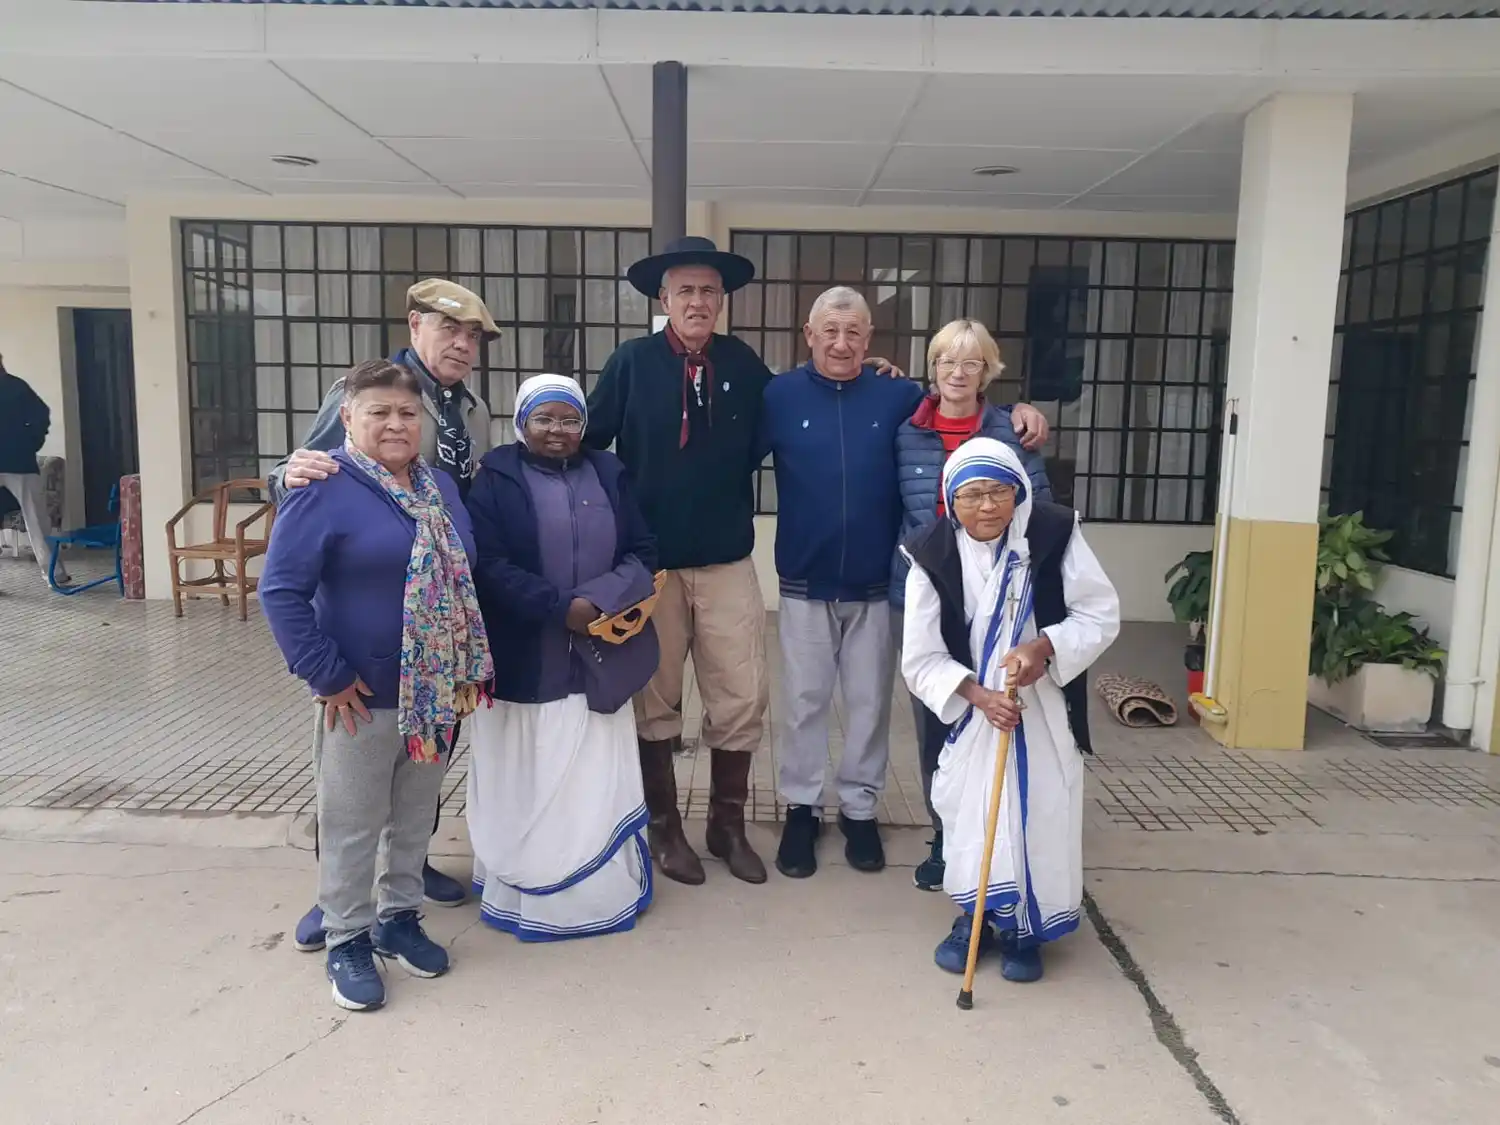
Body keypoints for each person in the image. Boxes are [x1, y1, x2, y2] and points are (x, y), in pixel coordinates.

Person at [587, 237, 1049, 887]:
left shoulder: (855, 391)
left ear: (869, 338)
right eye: (829, 330)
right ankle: (716, 821)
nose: (840, 342)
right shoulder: (707, 378)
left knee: (791, 701)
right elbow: (588, 444)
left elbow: (957, 412)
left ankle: (800, 816)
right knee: (738, 701)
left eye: (853, 332)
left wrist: (1016, 415)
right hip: (706, 570)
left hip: (820, 573)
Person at [260, 359, 493, 1011]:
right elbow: (280, 592)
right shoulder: (322, 486)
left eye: (407, 413)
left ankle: (397, 917)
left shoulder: (441, 487)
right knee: (353, 822)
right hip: (359, 694)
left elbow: (466, 571)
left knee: (415, 816)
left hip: (436, 691)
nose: (396, 423)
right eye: (379, 412)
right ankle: (348, 936)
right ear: (349, 418)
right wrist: (326, 673)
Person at [901, 437, 1118, 984]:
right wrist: (978, 695)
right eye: (972, 495)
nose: (988, 506)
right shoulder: (931, 554)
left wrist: (1042, 649)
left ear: (1018, 491)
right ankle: (975, 916)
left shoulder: (1053, 533)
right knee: (971, 812)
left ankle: (1026, 929)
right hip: (974, 709)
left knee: (1042, 810)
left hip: (1041, 704)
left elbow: (1099, 613)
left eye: (999, 491)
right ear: (952, 501)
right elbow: (921, 656)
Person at [464, 375, 659, 940]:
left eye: (569, 419)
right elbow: (489, 564)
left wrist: (596, 602)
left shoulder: (609, 472)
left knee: (590, 771)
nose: (557, 430)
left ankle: (595, 891)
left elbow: (642, 551)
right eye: (544, 419)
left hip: (599, 653)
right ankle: (527, 891)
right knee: (531, 771)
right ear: (522, 422)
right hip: (526, 656)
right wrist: (558, 608)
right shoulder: (496, 478)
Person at [891, 318, 1052, 892]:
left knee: (999, 713)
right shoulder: (907, 428)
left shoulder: (1014, 429)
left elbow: (1040, 511)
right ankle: (945, 835)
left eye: (971, 362)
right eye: (945, 361)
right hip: (928, 591)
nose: (957, 373)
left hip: (1001, 598)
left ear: (989, 371)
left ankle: (1003, 833)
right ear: (931, 368)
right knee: (938, 715)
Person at [0, 354, 69, 587]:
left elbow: (41, 416)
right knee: (37, 520)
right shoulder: (17, 386)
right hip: (19, 459)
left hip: (19, 460)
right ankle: (54, 575)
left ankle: (54, 574)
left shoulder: (16, 387)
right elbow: (41, 416)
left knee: (36, 518)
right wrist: (32, 442)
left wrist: (32, 443)